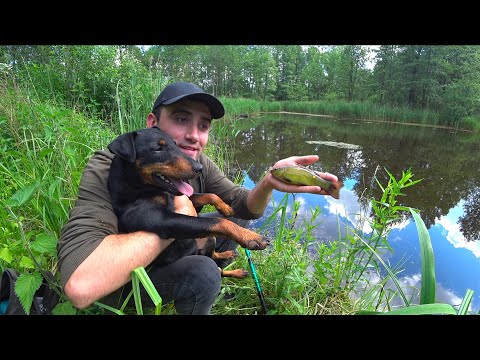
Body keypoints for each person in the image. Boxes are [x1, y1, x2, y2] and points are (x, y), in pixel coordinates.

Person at [57, 82, 339, 315]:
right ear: (153, 124)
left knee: (232, 215)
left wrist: (269, 181)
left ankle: (212, 274)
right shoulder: (108, 167)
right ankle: (201, 282)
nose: (193, 136)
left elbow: (242, 205)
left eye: (203, 126)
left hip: (171, 249)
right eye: (181, 119)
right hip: (124, 282)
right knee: (204, 273)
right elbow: (81, 287)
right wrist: (178, 220)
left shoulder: (193, 161)